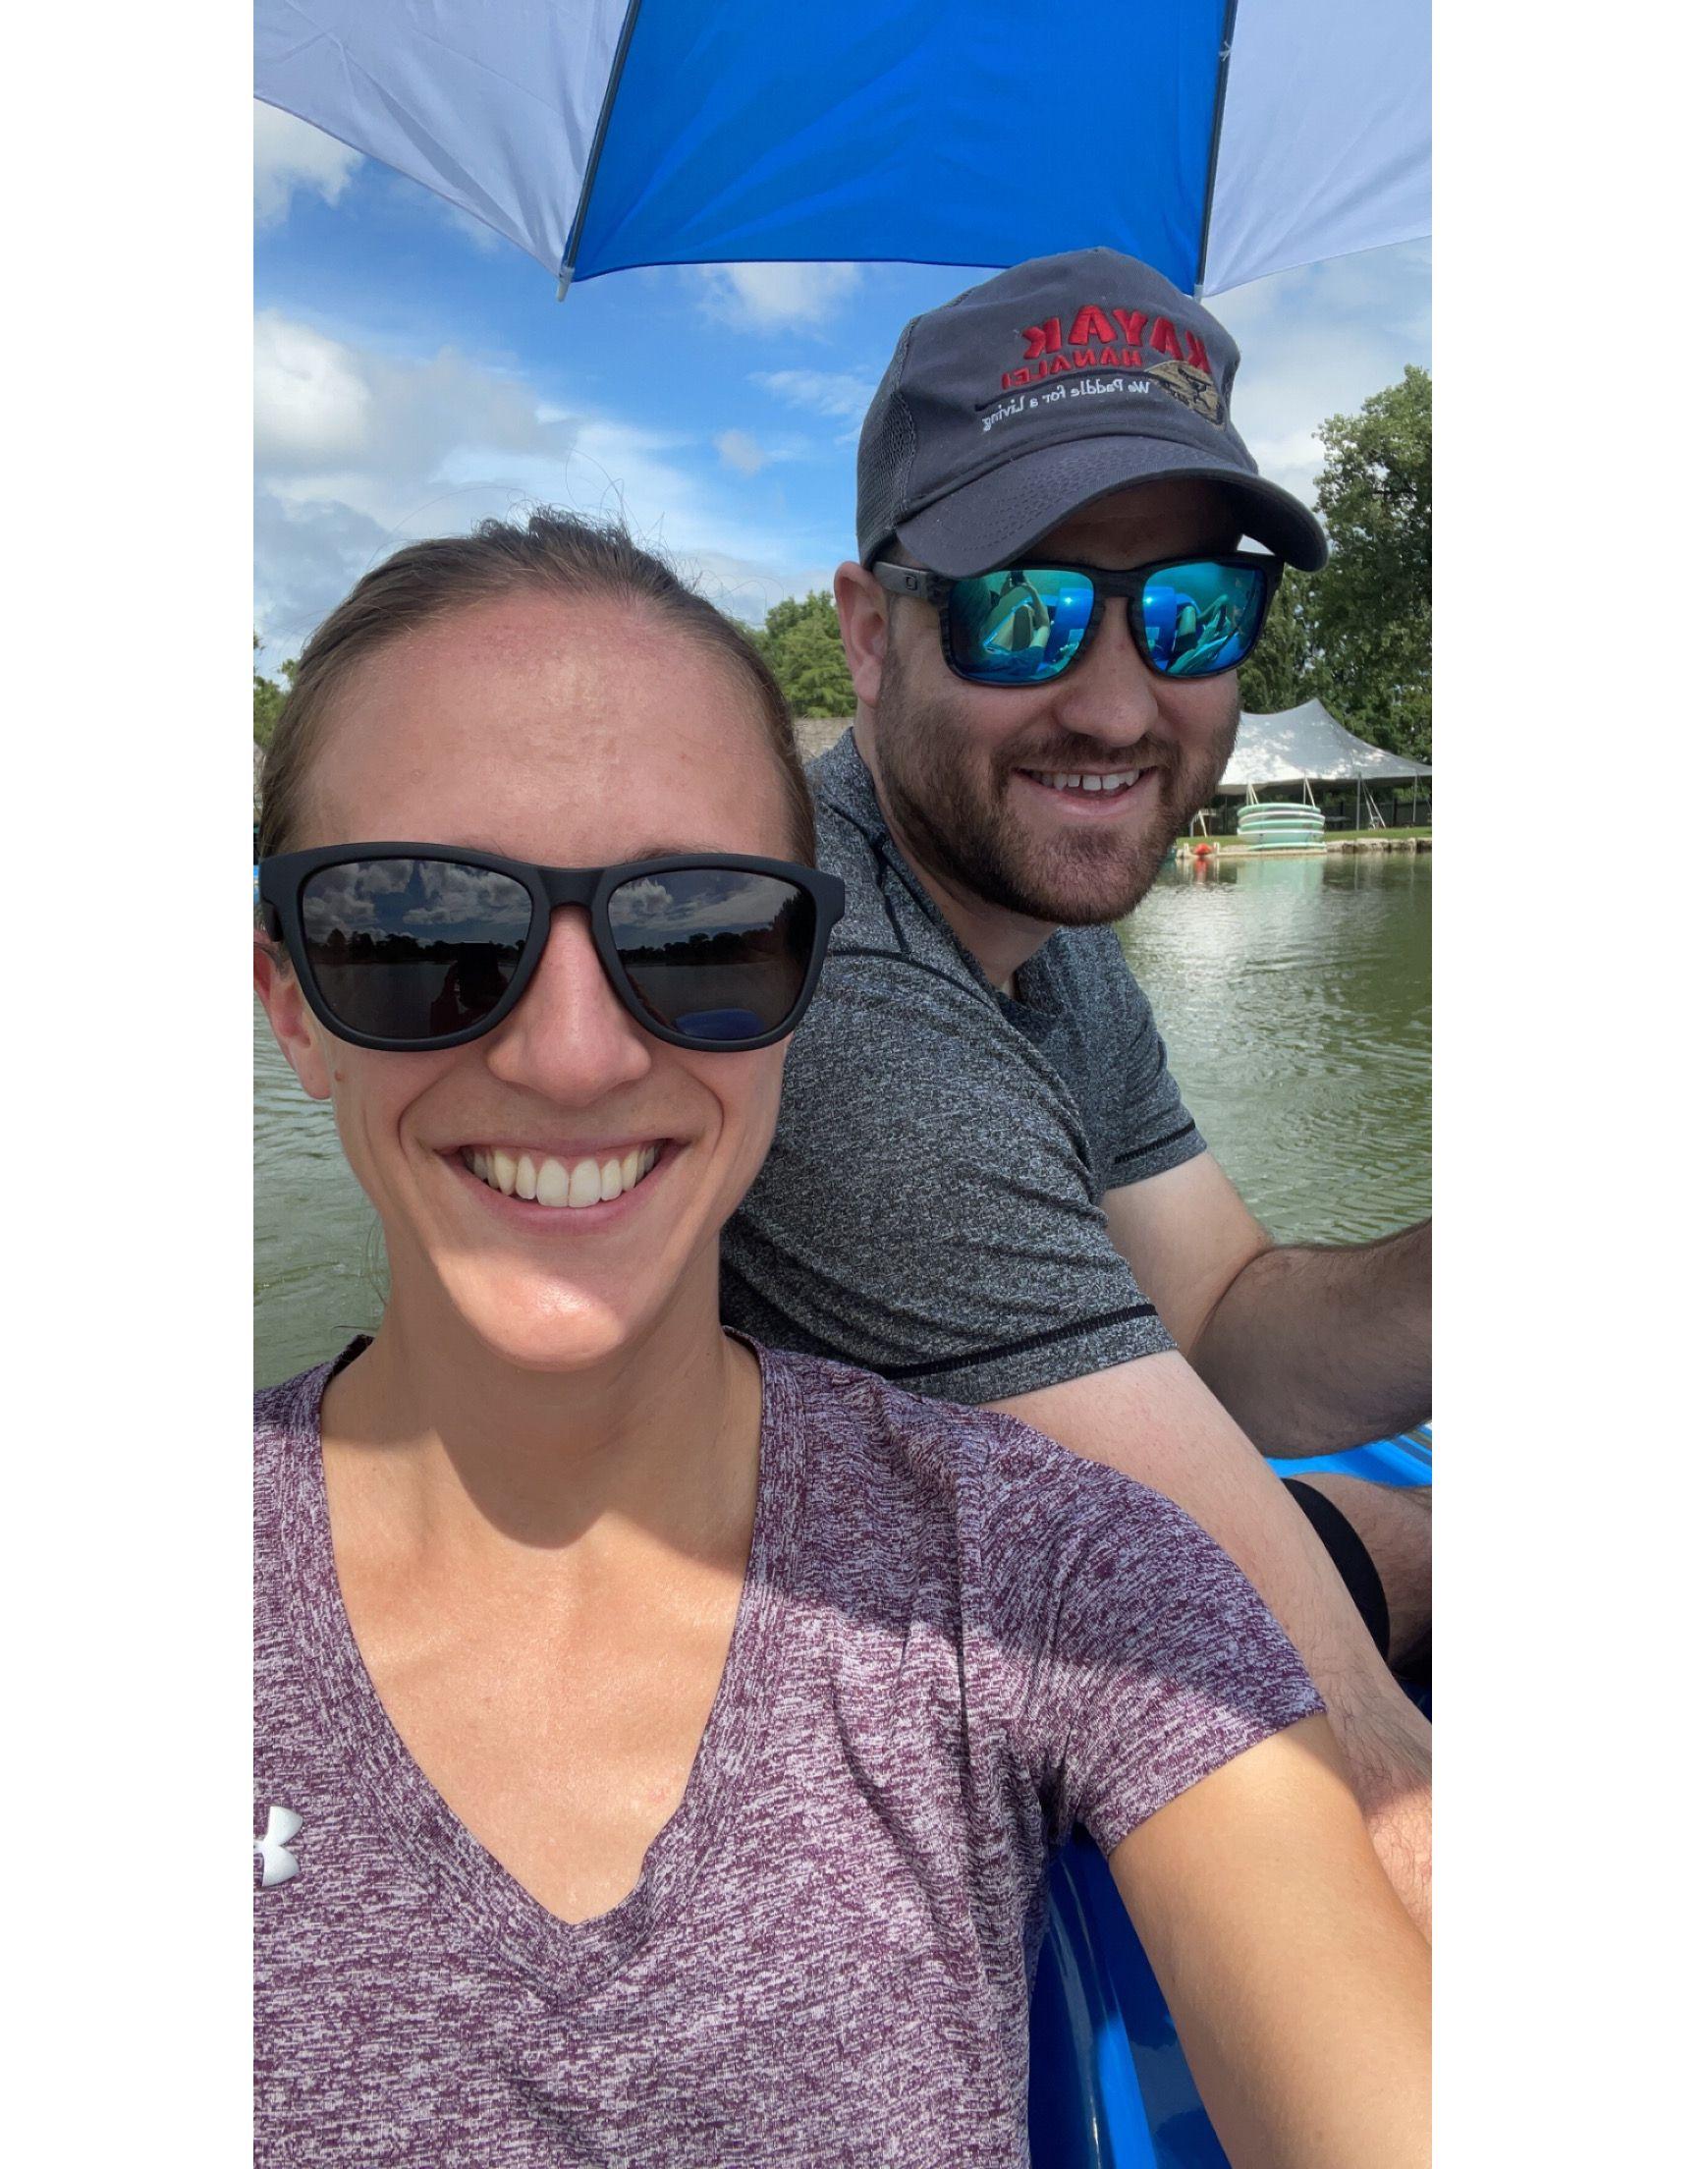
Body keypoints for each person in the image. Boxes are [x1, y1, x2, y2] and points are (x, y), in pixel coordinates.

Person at [252, 512, 1428, 2164]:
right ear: (290, 994)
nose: (576, 1055)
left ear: (809, 977)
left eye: (700, 934)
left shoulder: (1050, 1569)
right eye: (427, 934)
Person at [720, 248, 1436, 1925]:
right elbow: (1359, 1759)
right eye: (1023, 607)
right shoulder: (827, 992)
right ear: (868, 631)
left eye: (1190, 611)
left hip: (1013, 1579)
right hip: (821, 1742)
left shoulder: (1037, 909)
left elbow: (1233, 1331)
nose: (1119, 702)